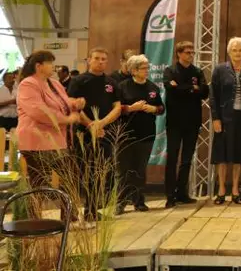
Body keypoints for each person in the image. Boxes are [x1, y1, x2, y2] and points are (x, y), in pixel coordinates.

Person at [16, 51, 85, 221]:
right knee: (39, 183)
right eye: (50, 63)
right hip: (36, 141)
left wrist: (75, 103)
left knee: (70, 176)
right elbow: (38, 111)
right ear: (38, 66)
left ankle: (69, 217)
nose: (54, 67)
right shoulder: (28, 84)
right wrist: (67, 119)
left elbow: (62, 101)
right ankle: (34, 221)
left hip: (58, 140)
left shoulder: (54, 83)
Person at [67, 47, 122, 221]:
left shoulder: (111, 82)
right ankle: (73, 211)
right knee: (81, 171)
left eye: (104, 59)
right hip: (83, 133)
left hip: (104, 132)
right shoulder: (78, 81)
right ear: (89, 60)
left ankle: (92, 209)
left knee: (99, 172)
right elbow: (73, 104)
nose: (100, 61)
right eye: (97, 58)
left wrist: (101, 123)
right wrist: (90, 124)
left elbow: (118, 107)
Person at [210, 37, 241, 205]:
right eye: (234, 50)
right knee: (222, 156)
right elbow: (213, 96)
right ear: (229, 52)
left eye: (240, 50)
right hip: (224, 118)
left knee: (239, 155)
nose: (237, 53)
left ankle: (236, 190)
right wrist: (215, 118)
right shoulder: (219, 70)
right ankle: (221, 190)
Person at [164, 41, 209, 208]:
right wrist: (192, 89)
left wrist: (185, 88)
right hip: (175, 122)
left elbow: (204, 92)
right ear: (179, 53)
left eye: (192, 52)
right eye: (187, 52)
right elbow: (171, 89)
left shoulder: (197, 71)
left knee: (186, 159)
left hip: (192, 121)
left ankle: (182, 193)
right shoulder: (170, 71)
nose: (191, 55)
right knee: (172, 159)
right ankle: (170, 195)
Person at [117, 55, 164, 214]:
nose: (147, 71)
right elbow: (116, 109)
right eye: (144, 68)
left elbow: (161, 108)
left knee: (140, 169)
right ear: (134, 70)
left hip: (147, 134)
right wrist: (131, 108)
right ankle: (120, 203)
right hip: (126, 134)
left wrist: (154, 109)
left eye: (147, 68)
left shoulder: (152, 87)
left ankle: (139, 201)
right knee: (124, 170)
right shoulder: (123, 86)